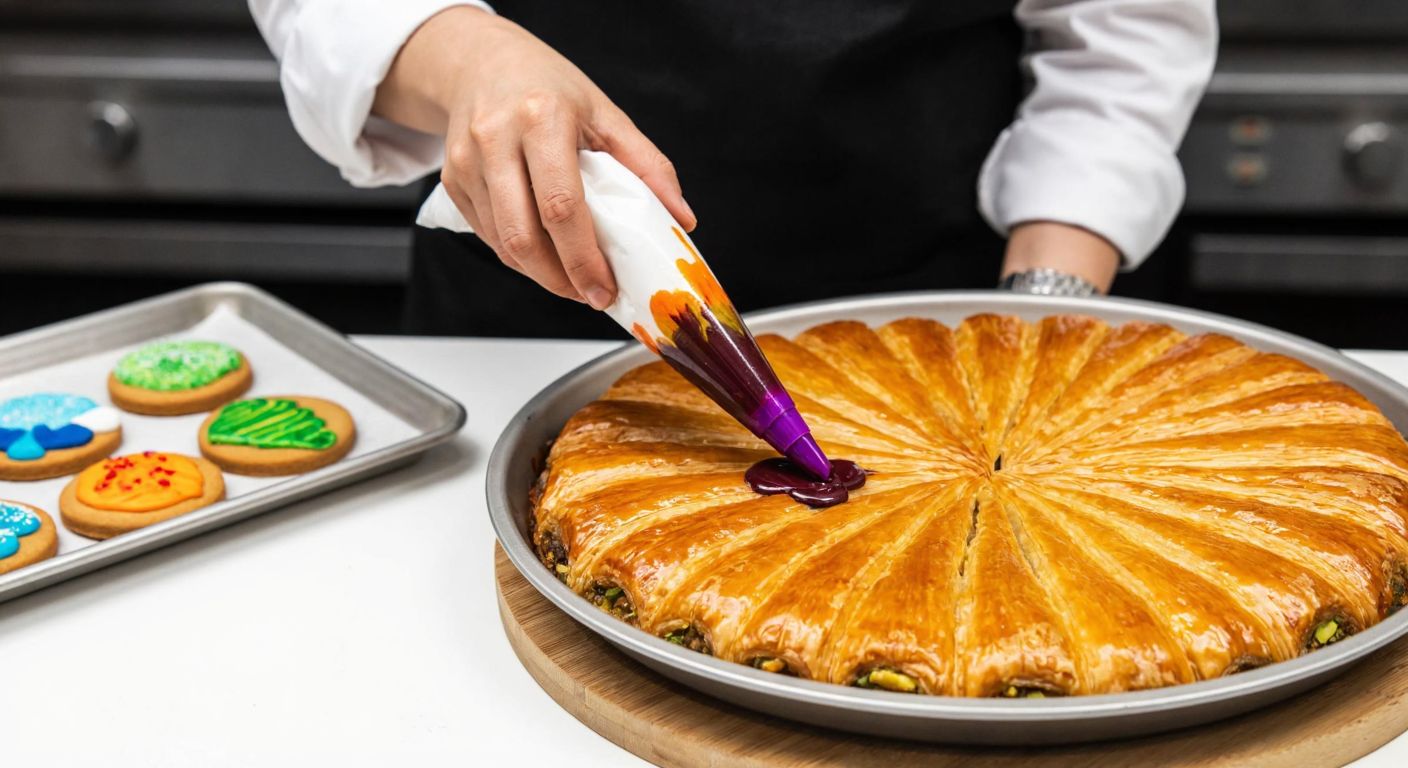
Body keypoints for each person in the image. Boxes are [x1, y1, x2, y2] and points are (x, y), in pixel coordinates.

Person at [250, 1, 1216, 337]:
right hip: (546, 311)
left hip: (943, 295)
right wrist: (472, 64)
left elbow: (1120, 36)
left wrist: (1041, 311)